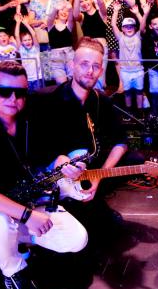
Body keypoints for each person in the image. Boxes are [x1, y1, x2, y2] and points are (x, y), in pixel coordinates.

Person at [0, 61, 88, 289]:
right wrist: (28, 216)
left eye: (20, 93)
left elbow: (53, 157)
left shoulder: (30, 119)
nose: (13, 99)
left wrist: (65, 164)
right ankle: (14, 270)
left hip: (27, 203)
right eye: (4, 91)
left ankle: (14, 242)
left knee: (76, 239)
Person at [31, 37, 141, 203]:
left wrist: (100, 175)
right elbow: (34, 147)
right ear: (71, 65)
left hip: (87, 166)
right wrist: (57, 161)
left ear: (101, 71)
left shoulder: (101, 101)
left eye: (95, 66)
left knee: (135, 159)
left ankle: (90, 191)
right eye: (84, 64)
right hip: (56, 169)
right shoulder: (46, 99)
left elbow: (121, 140)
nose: (90, 71)